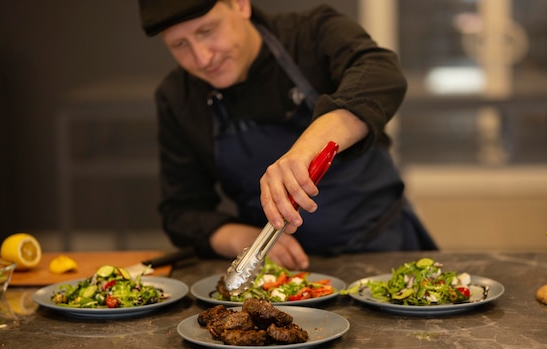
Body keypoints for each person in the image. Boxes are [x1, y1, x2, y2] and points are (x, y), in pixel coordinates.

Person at [138, 0, 437, 270]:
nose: (202, 58)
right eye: (179, 44)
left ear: (241, 5)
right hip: (279, 273)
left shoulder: (312, 33)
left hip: (386, 249)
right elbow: (182, 213)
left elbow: (380, 73)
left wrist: (307, 149)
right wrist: (247, 239)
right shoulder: (178, 97)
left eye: (207, 31)